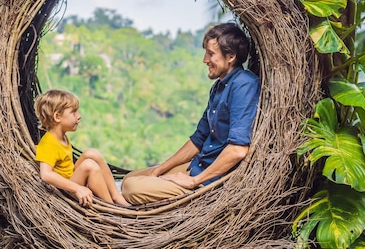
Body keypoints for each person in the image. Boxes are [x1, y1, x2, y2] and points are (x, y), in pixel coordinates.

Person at [122, 23, 260, 205]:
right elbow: (198, 139)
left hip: (208, 180)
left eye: (211, 54)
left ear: (231, 57)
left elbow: (238, 150)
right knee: (129, 178)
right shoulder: (219, 86)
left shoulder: (244, 85)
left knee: (133, 188)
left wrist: (194, 181)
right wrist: (160, 169)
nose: (205, 60)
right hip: (198, 165)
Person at [34, 89, 130, 206]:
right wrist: (77, 188)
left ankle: (116, 196)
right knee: (89, 165)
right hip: (65, 190)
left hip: (71, 179)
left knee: (91, 153)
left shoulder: (62, 136)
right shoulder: (48, 143)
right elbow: (46, 175)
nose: (79, 116)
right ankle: (111, 206)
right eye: (73, 112)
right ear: (57, 117)